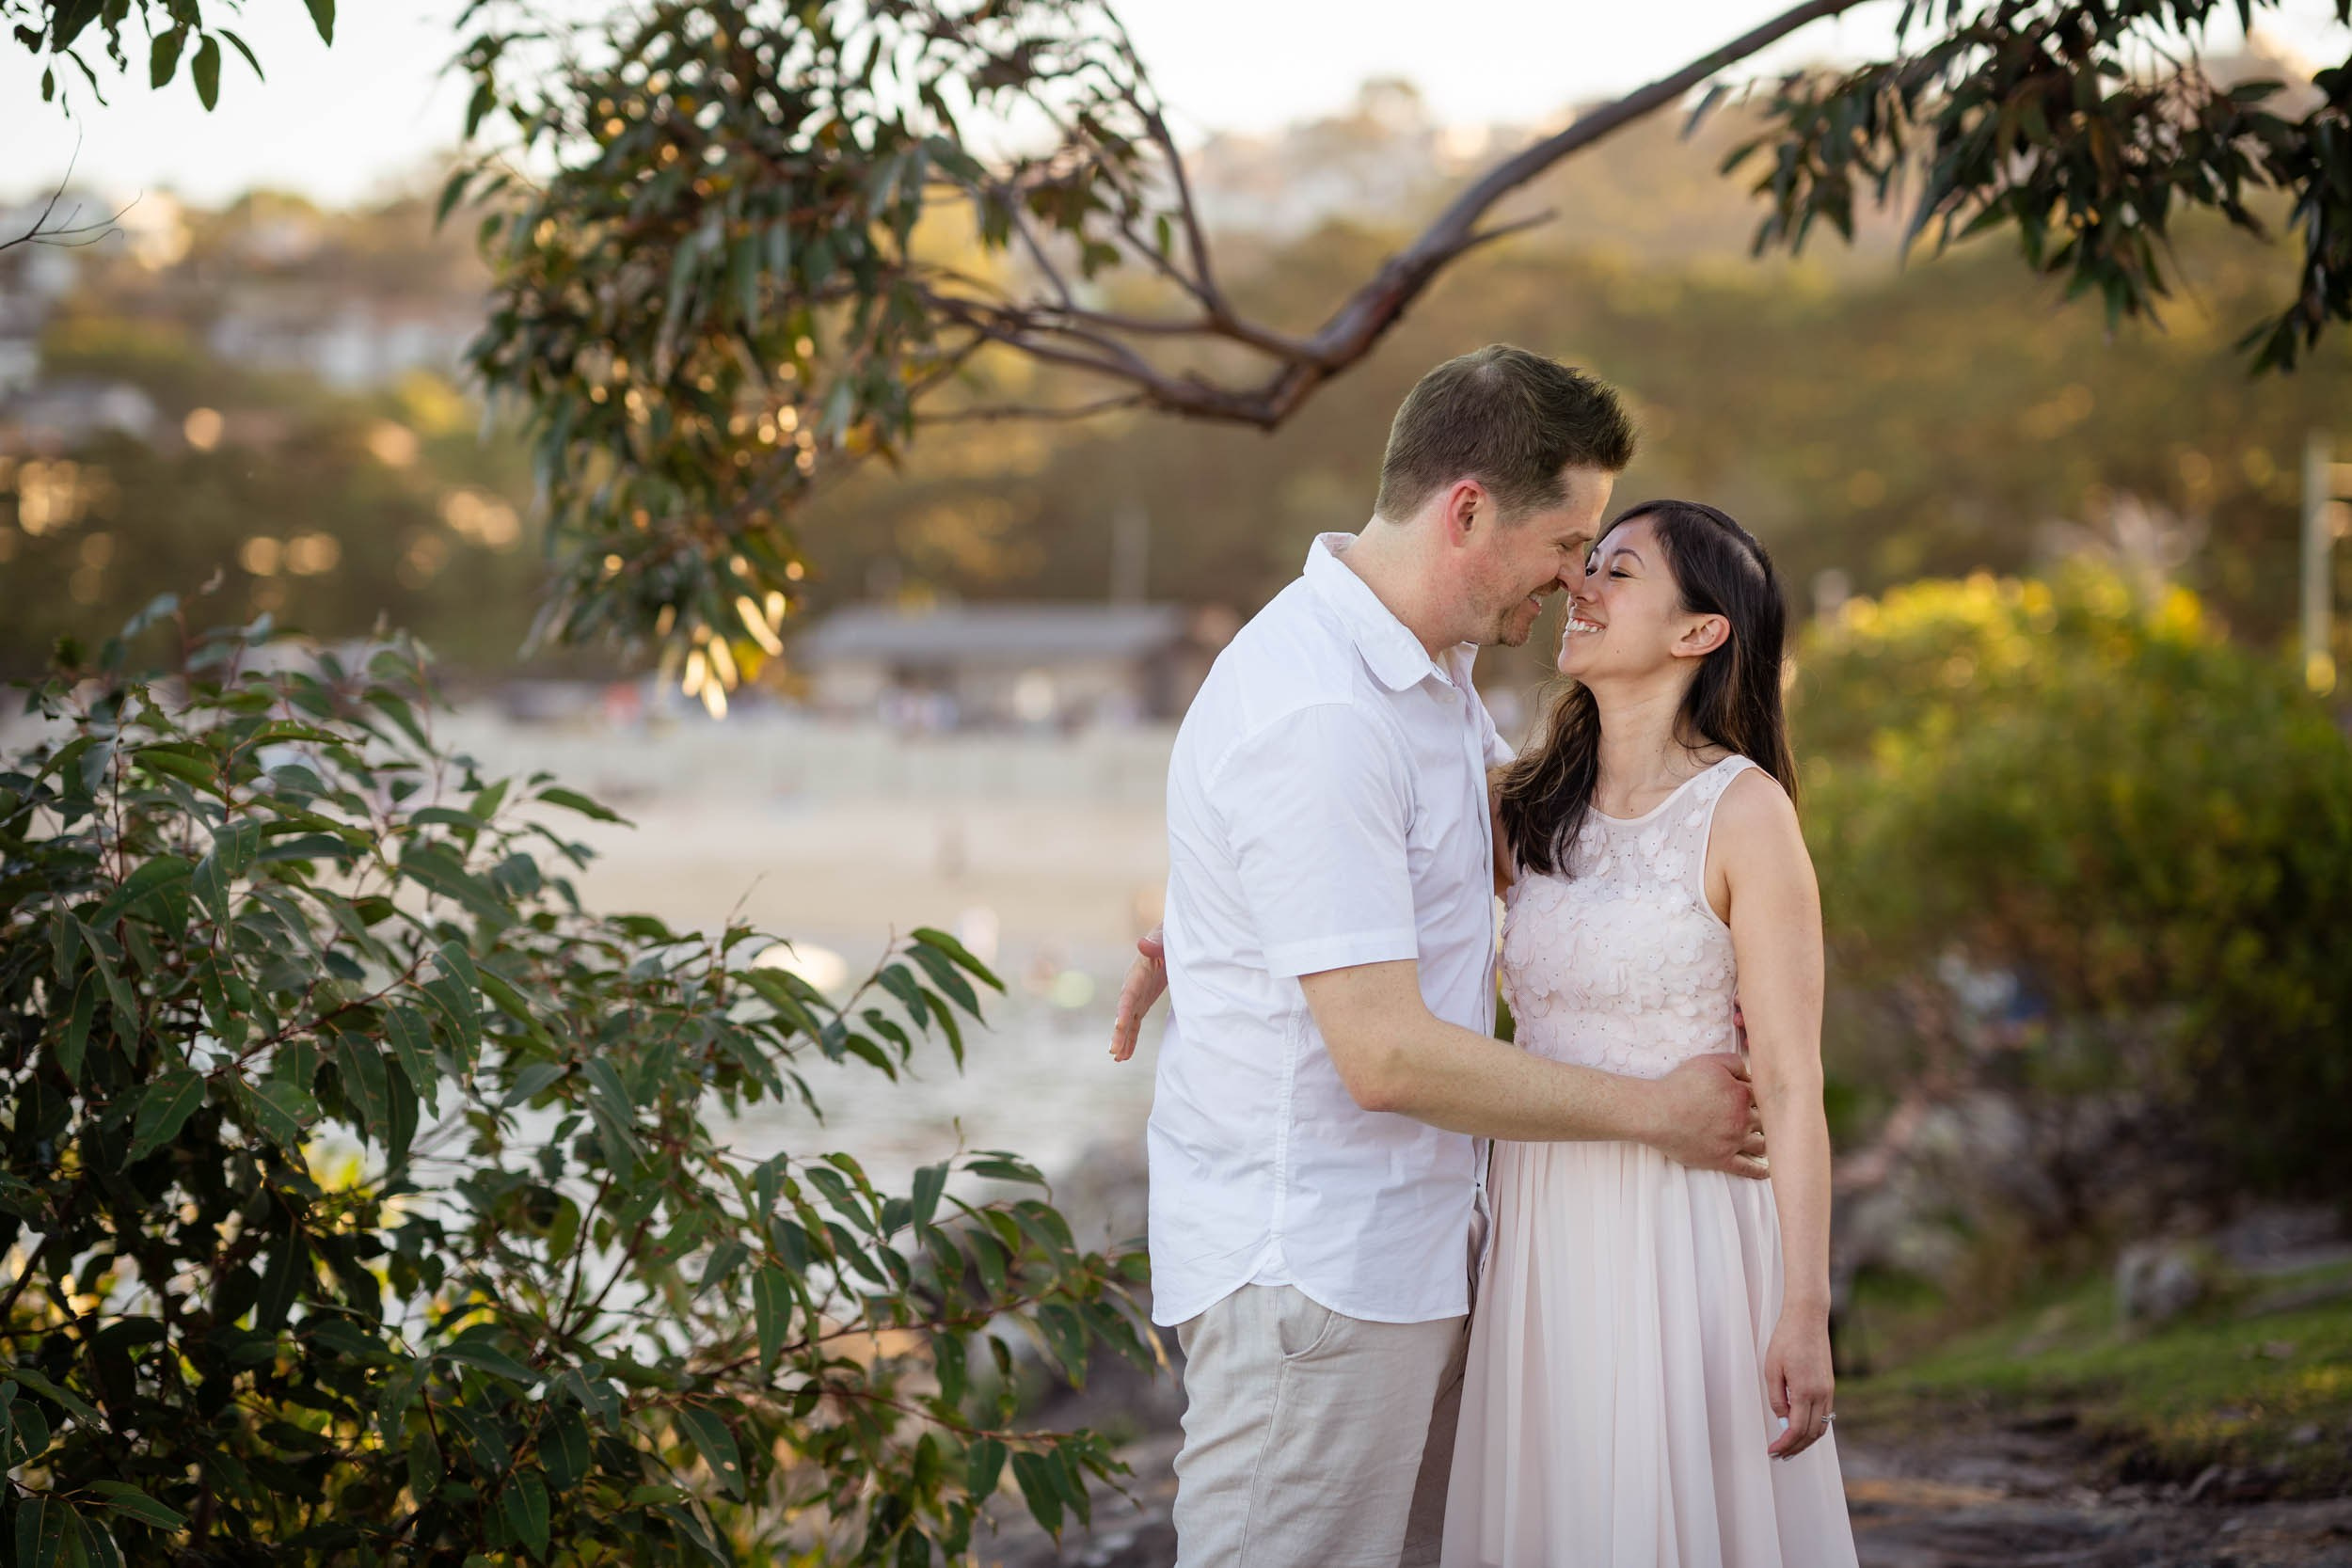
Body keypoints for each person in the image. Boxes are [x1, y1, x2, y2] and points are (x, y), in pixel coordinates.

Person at [1105, 346, 1768, 1568]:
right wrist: (1655, 1110)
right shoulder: (1323, 709)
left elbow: (1464, 856)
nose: (1576, 579)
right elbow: (1386, 1053)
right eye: (1570, 542)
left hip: (1416, 1259)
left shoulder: (1427, 673)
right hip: (1319, 1280)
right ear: (1468, 510)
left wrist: (1209, 930)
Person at [1441, 499, 1856, 1566]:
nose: (1581, 585)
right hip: (1541, 1230)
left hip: (1691, 1236)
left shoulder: (1744, 811)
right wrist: (1188, 937)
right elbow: (1337, 871)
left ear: (1698, 632)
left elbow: (1793, 1083)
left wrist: (1804, 1308)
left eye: (1616, 570)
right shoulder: (1525, 809)